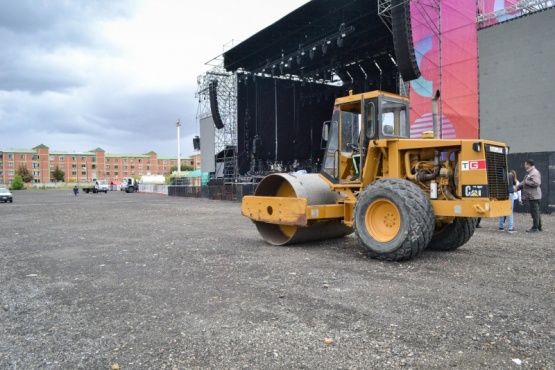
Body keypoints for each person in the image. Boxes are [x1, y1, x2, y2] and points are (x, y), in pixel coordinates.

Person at [516, 159, 542, 232]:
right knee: (536, 212)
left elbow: (536, 183)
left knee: (534, 212)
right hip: (533, 195)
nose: (524, 166)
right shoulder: (530, 173)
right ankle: (539, 227)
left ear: (529, 164)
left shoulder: (534, 173)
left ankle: (535, 228)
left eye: (525, 164)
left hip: (534, 196)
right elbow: (523, 183)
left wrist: (526, 182)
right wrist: (516, 188)